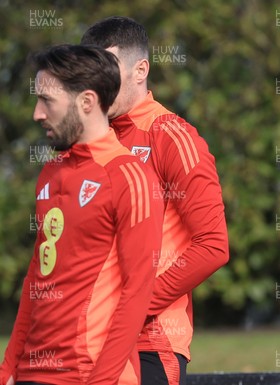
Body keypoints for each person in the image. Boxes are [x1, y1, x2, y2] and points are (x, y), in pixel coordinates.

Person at [0, 44, 164, 385]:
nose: (37, 113)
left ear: (86, 102)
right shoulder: (51, 171)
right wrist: (8, 368)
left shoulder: (129, 176)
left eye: (47, 101)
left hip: (88, 375)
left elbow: (137, 292)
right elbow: (37, 276)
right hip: (33, 373)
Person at [81, 16, 229, 385]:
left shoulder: (171, 136)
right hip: (86, 340)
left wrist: (136, 306)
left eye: (108, 70)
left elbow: (213, 246)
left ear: (140, 69)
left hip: (149, 343)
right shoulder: (88, 142)